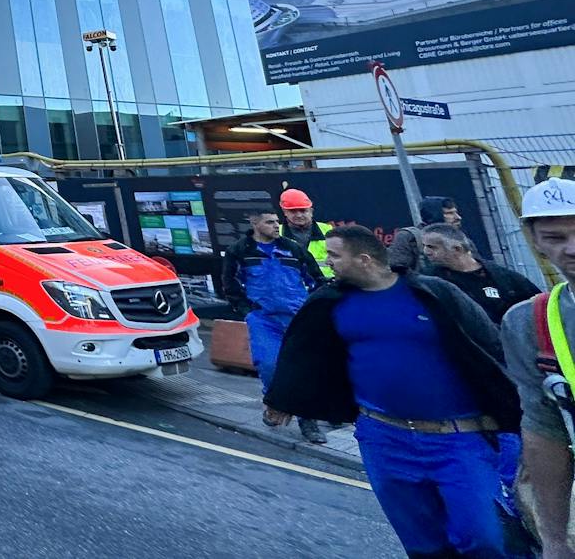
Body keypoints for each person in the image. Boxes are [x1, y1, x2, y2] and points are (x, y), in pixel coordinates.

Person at [265, 224, 521, 559]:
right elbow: (304, 351)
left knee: (486, 538)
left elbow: (490, 345)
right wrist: (283, 399)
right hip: (384, 439)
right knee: (423, 544)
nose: (328, 263)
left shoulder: (434, 292)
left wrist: (515, 411)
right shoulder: (329, 304)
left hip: (460, 440)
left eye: (334, 256)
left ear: (364, 259)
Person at [502, 177, 575, 559]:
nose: (573, 248)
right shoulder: (531, 323)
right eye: (556, 237)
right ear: (535, 241)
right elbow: (545, 433)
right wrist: (555, 538)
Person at [221, 207, 325, 444]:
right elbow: (230, 285)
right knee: (269, 364)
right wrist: (248, 311)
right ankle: (274, 403)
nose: (276, 225)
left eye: (276, 221)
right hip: (264, 319)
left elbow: (316, 279)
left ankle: (308, 421)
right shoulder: (240, 251)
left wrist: (309, 307)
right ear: (255, 224)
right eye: (269, 222)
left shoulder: (292, 248)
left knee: (304, 369)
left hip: (297, 319)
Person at [423, 224, 538, 326]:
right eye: (425, 246)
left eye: (432, 247)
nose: (426, 252)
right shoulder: (430, 280)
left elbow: (538, 306)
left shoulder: (504, 278)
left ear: (457, 249)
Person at [390, 196, 462, 274]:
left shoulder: (459, 238)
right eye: (449, 213)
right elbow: (398, 272)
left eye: (456, 212)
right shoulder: (409, 236)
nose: (458, 217)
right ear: (434, 214)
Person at [277, 188, 335, 279]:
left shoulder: (328, 230)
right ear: (285, 212)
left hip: (326, 285)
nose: (299, 215)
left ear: (311, 211)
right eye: (293, 211)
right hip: (291, 286)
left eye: (303, 210)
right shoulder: (276, 233)